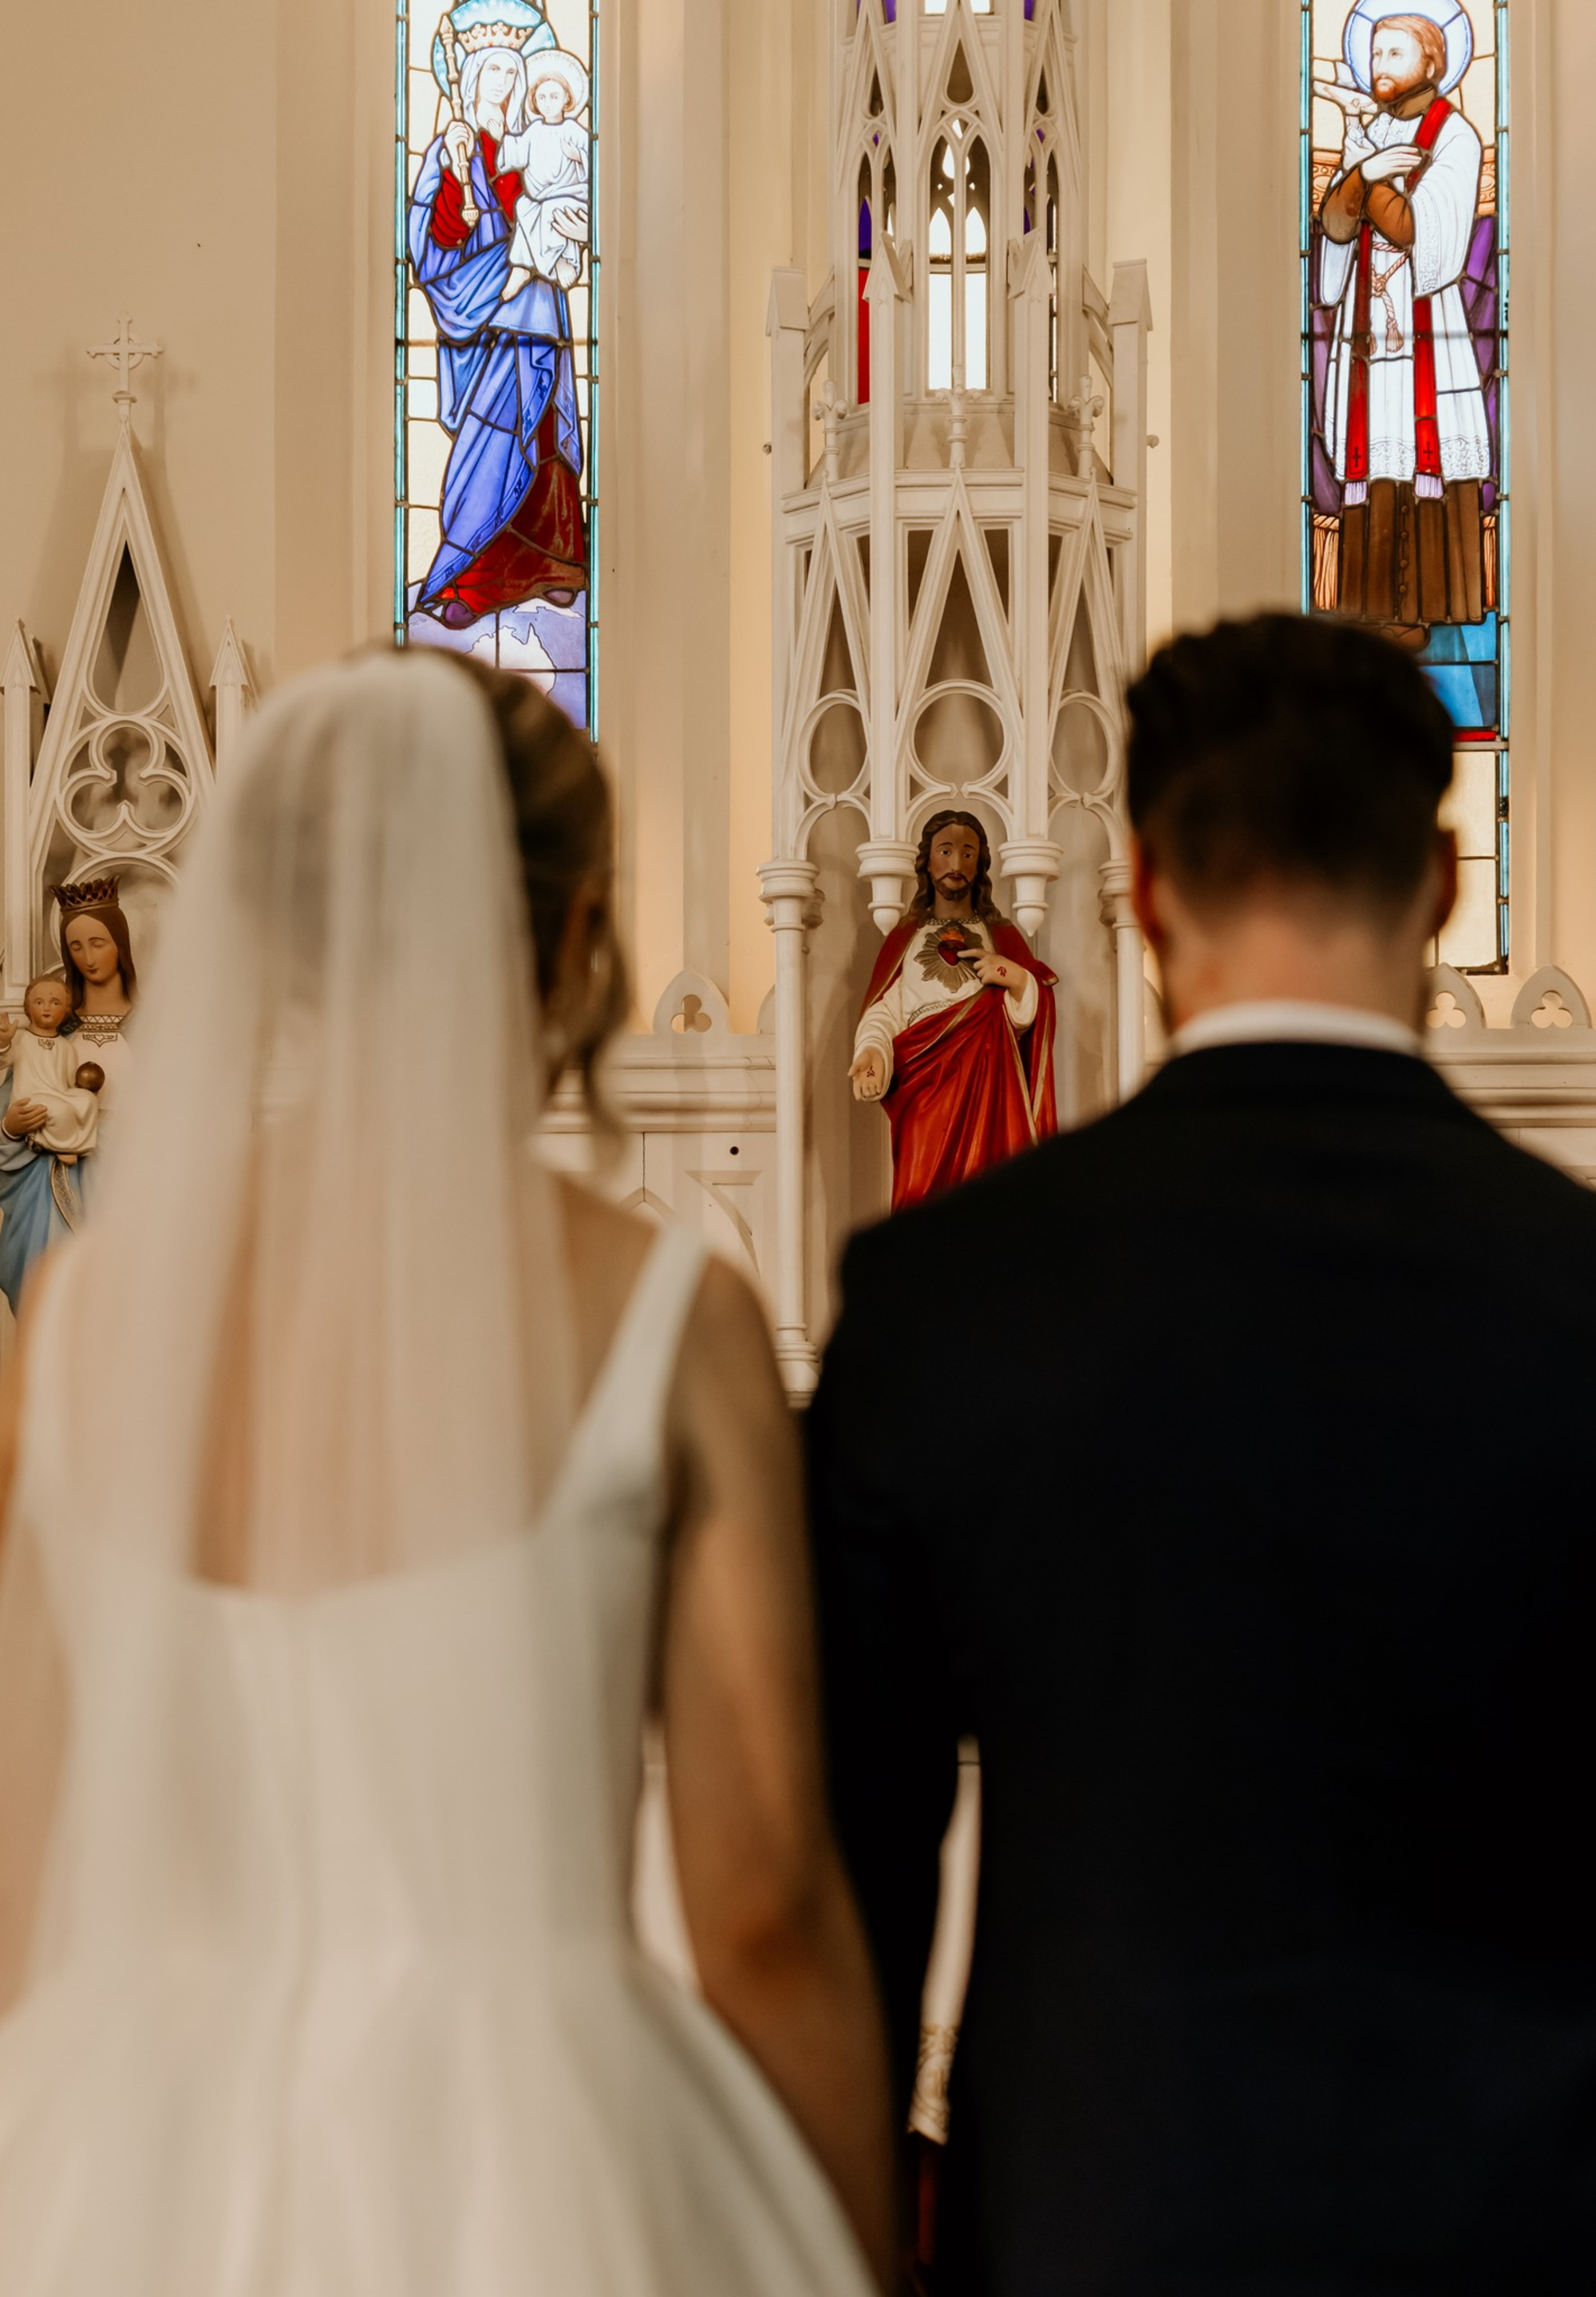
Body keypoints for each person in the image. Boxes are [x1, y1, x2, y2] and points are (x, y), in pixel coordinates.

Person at [0, 651, 895, 2297]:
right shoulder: (664, 1314)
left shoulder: (70, 1323)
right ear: (571, 939)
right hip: (534, 2162)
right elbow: (757, 1899)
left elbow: (28, 1849)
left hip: (127, 2151)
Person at [808, 612, 1596, 2295]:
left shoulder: (948, 1298)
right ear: (1443, 883)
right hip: (1517, 2217)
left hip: (1097, 2212)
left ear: (1146, 888)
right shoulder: (1573, 1293)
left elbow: (847, 1868)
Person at [408, 9, 590, 627]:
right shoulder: (451, 149)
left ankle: (555, 568)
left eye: (514, 79)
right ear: (471, 81)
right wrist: (459, 181)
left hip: (535, 306)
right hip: (483, 319)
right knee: (489, 441)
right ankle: (470, 579)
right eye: (494, 78)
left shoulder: (528, 151)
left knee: (544, 438)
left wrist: (563, 228)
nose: (506, 91)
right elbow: (435, 242)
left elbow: (553, 203)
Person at [1316, 6, 1491, 638]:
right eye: (1374, 53)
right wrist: (1360, 175)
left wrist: (1373, 183)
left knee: (1427, 459)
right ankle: (1370, 616)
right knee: (1374, 460)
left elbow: (1425, 235)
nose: (1377, 66)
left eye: (1394, 54)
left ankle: (1430, 611)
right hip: (1367, 333)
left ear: (1432, 63)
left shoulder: (1454, 136)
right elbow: (1336, 228)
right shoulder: (1370, 137)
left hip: (1428, 335)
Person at [850, 812, 1057, 1212]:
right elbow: (885, 1011)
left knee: (988, 1200)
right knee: (921, 1204)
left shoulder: (1002, 935)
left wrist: (1013, 977)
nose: (957, 864)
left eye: (969, 853)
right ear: (927, 860)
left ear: (981, 864)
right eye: (946, 851)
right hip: (925, 1095)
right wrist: (872, 1050)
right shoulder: (905, 938)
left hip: (989, 1090)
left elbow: (1028, 1017)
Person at [0, 882, 137, 1311]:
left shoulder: (153, 1023)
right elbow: (11, 1104)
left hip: (127, 1180)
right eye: (75, 947)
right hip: (47, 1186)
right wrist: (11, 1126)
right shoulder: (53, 1027)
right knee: (51, 1300)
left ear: (121, 944)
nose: (88, 957)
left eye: (98, 943)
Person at [498, 53, 591, 301]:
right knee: (525, 207)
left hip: (571, 195)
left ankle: (562, 259)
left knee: (554, 212)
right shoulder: (534, 131)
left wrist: (580, 156)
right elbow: (516, 154)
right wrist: (501, 137)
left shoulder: (574, 131)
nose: (548, 103)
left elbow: (594, 162)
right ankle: (521, 268)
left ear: (566, 99)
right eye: (541, 97)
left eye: (554, 96)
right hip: (539, 197)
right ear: (535, 102)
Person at [0, 978, 99, 1164]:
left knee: (88, 1101)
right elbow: (3, 1059)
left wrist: (81, 1090)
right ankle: (44, 1141)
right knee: (59, 1110)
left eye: (55, 1003)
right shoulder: (21, 1037)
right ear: (28, 1008)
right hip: (32, 1098)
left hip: (59, 1094)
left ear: (66, 1010)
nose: (47, 1008)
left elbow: (69, 1083)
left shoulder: (66, 1046)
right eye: (39, 1002)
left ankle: (79, 1145)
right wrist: (4, 1043)